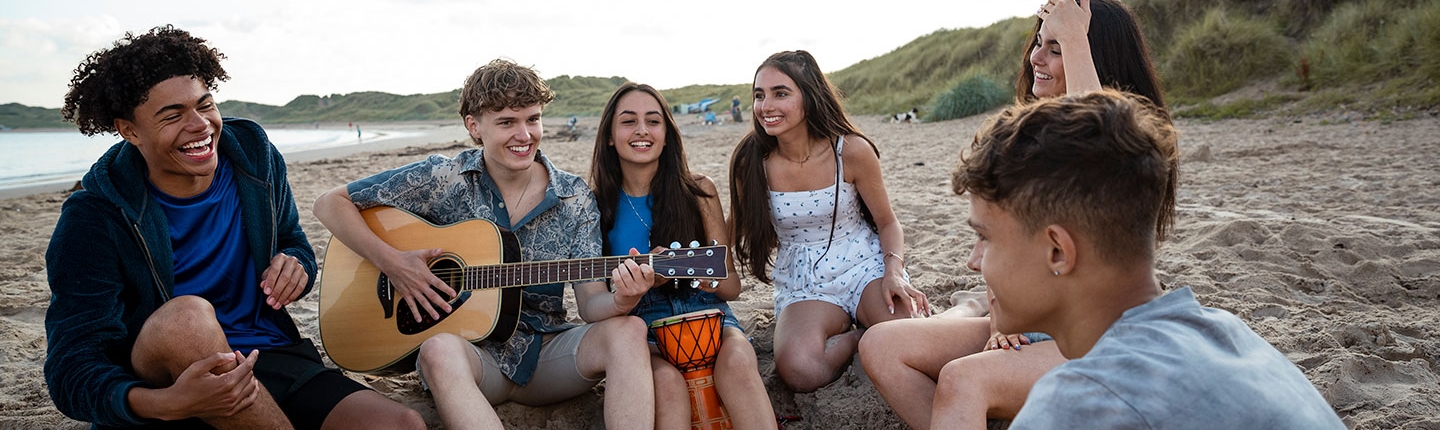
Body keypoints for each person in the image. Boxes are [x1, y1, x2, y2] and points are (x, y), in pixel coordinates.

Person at [44, 25, 423, 429]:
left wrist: (296, 264)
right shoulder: (94, 215)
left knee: (402, 424)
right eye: (172, 116)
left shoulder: (254, 159)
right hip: (169, 381)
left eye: (204, 105)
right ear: (129, 130)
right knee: (187, 318)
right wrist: (164, 403)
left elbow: (292, 239)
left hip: (269, 352)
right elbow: (72, 365)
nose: (199, 125)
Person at [859, 1, 1170, 428]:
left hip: (1095, 332)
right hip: (1026, 318)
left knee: (963, 380)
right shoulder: (1025, 136)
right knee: (881, 345)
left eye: (1055, 49)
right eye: (1038, 44)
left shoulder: (1131, 153)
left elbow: (1100, 141)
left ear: (1094, 54)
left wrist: (1076, 36)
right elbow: (1000, 240)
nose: (1035, 59)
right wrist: (998, 316)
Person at [955, 89, 1345, 429]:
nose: (974, 261)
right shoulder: (1229, 333)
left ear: (1058, 251)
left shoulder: (1081, 404)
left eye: (984, 237)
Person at [311, 59, 654, 429]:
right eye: (507, 122)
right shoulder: (444, 178)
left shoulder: (574, 197)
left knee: (630, 330)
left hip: (547, 355)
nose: (524, 135)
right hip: (471, 359)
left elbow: (589, 303)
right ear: (474, 126)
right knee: (437, 349)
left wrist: (623, 299)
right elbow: (329, 203)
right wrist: (393, 263)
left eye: (533, 119)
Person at [729, 50, 930, 393]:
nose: (765, 105)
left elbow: (887, 223)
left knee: (915, 341)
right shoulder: (752, 161)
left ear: (809, 96)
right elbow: (733, 226)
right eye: (759, 95)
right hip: (805, 280)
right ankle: (860, 337)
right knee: (800, 369)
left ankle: (957, 308)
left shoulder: (851, 151)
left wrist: (893, 273)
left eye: (781, 93)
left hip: (864, 266)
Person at [591, 83, 777, 429]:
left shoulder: (698, 190)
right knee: (666, 383)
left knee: (737, 360)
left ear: (666, 135)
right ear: (610, 137)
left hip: (707, 310)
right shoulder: (596, 206)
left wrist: (712, 280)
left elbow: (732, 287)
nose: (642, 130)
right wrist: (632, 290)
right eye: (629, 121)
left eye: (653, 121)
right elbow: (597, 302)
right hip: (640, 322)